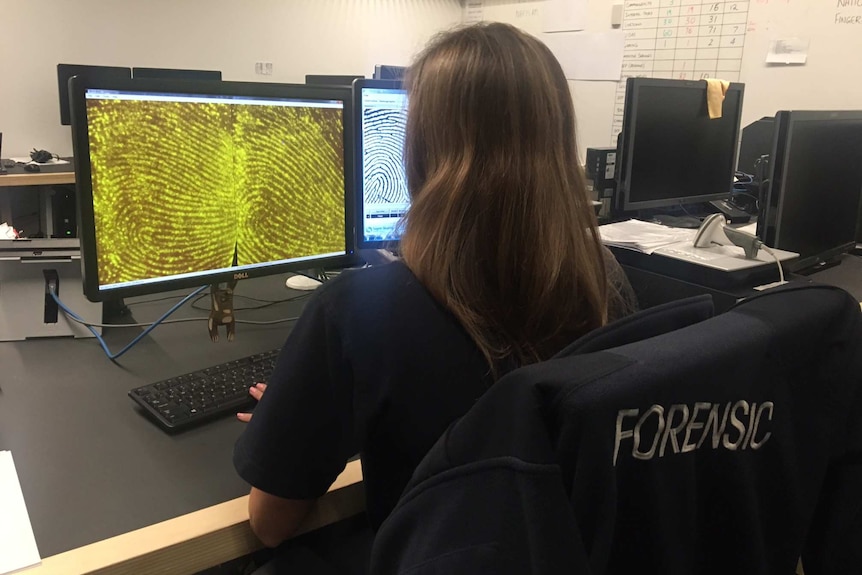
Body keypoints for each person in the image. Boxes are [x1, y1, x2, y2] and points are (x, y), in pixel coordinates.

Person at [233, 21, 637, 555]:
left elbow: (270, 523)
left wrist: (291, 417)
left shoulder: (358, 310)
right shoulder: (604, 281)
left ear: (422, 150)